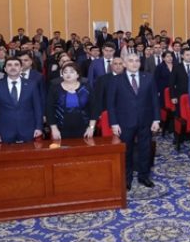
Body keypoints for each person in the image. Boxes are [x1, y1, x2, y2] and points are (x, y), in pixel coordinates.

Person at [107, 53, 160, 190]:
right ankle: (127, 178)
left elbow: (155, 100)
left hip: (146, 120)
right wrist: (114, 123)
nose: (134, 63)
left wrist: (156, 119)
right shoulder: (116, 80)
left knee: (145, 149)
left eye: (137, 60)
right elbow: (111, 104)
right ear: (124, 64)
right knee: (126, 151)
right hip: (125, 122)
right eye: (130, 61)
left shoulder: (148, 77)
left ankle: (144, 176)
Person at [0, 58, 43, 143]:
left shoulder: (32, 85)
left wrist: (39, 127)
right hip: (4, 131)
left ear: (21, 68)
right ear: (5, 69)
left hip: (28, 130)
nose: (13, 67)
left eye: (16, 65)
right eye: (9, 65)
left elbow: (37, 108)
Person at [46, 63, 96, 139]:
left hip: (84, 128)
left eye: (72, 72)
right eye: (65, 72)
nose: (68, 74)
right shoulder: (54, 88)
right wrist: (54, 128)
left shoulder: (86, 88)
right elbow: (50, 110)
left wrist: (91, 127)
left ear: (78, 75)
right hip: (61, 128)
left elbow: (94, 109)